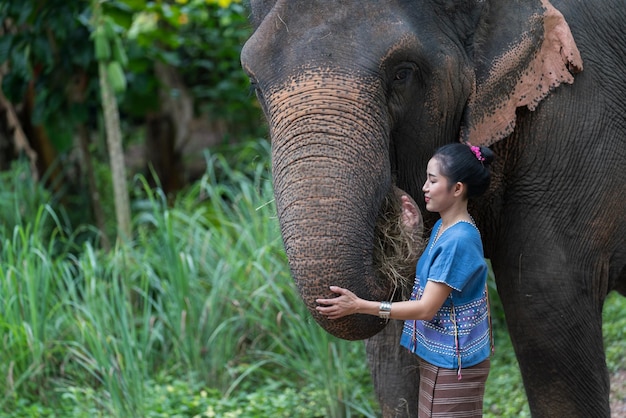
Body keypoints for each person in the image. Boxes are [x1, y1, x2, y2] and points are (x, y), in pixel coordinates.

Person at [316, 142, 495, 417]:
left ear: (457, 189)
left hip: (452, 364)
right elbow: (434, 275)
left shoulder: (458, 240)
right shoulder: (443, 228)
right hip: (447, 361)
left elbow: (426, 308)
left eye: (433, 180)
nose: (424, 187)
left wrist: (360, 305)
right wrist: (411, 234)